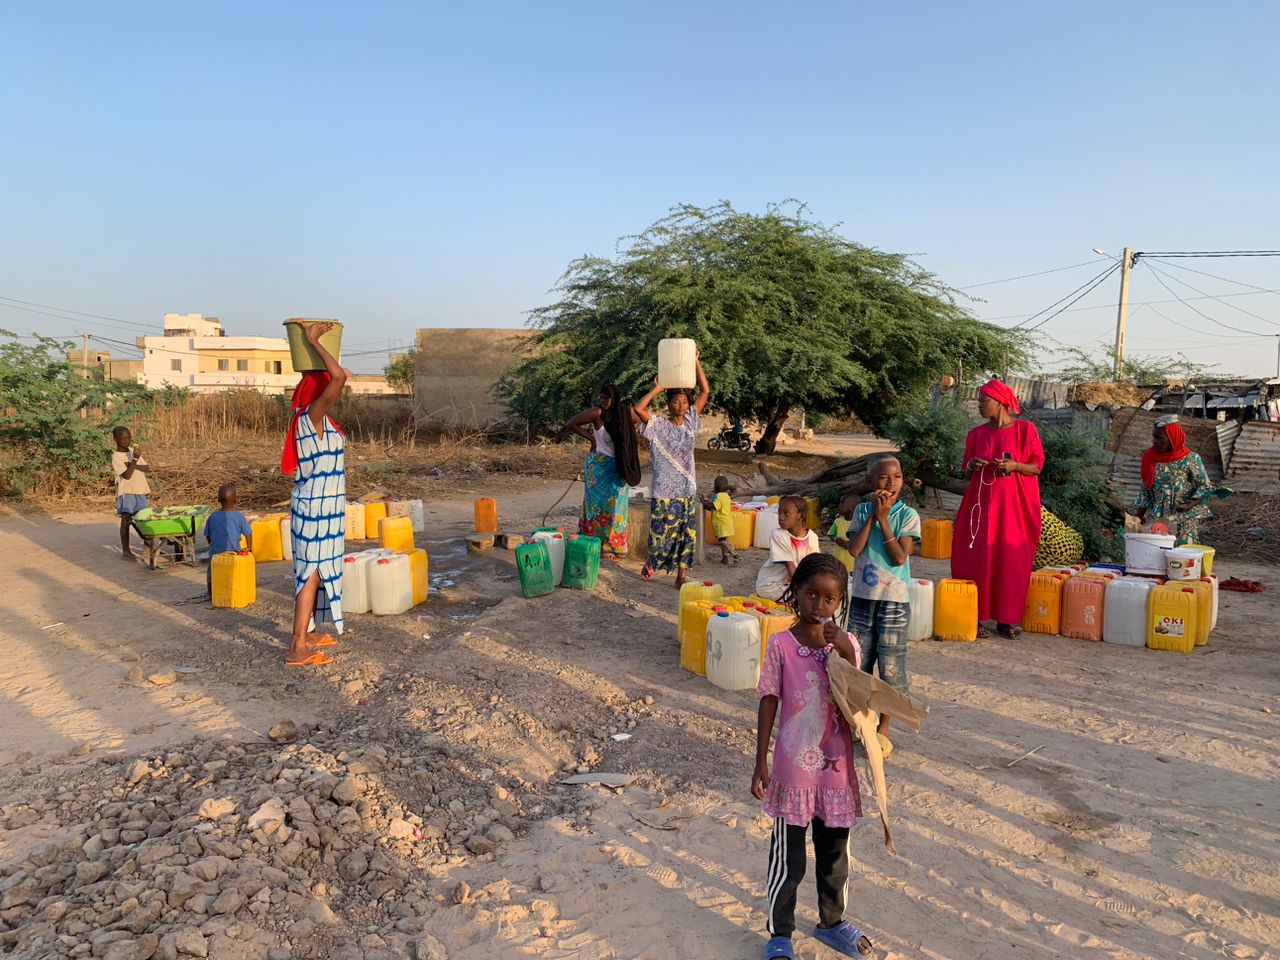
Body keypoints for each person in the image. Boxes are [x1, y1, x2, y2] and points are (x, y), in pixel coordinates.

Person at [752, 553, 874, 960]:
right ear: (796, 593)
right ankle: (780, 933)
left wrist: (847, 654)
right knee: (788, 859)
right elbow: (769, 700)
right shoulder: (781, 645)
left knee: (835, 854)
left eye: (829, 599)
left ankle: (832, 922)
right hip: (793, 772)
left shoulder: (846, 643)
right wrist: (761, 760)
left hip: (835, 769)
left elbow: (858, 699)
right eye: (811, 596)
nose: (819, 607)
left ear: (840, 601)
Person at [951, 379, 1044, 639]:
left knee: (1010, 560)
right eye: (979, 400)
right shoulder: (976, 434)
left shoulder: (1026, 431)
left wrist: (1014, 466)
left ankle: (1007, 619)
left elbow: (1036, 466)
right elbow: (965, 466)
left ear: (1001, 402)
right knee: (976, 558)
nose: (979, 405)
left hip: (1015, 509)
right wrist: (973, 465)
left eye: (984, 400)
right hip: (980, 509)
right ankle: (976, 616)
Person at [281, 321, 348, 667]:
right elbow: (339, 377)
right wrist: (312, 340)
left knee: (313, 572)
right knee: (309, 575)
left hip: (321, 510)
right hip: (315, 512)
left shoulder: (309, 417)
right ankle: (297, 647)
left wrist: (320, 359)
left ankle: (303, 635)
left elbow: (336, 375)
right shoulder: (312, 417)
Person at [844, 455, 921, 747]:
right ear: (870, 483)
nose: (891, 483)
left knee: (891, 665)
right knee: (859, 662)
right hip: (863, 599)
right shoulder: (862, 511)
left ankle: (884, 729)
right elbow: (854, 549)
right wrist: (872, 519)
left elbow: (899, 557)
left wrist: (884, 521)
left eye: (897, 477)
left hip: (894, 602)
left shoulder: (908, 515)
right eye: (884, 478)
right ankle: (861, 722)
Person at [633, 353, 711, 588]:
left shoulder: (690, 422)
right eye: (676, 401)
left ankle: (682, 575)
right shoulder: (658, 425)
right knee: (662, 533)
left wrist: (696, 363)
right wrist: (657, 389)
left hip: (686, 487)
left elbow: (705, 392)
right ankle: (653, 562)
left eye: (685, 402)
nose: (681, 405)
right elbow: (639, 408)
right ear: (668, 404)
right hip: (665, 489)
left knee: (688, 534)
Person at [561, 384, 642, 559]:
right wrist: (591, 438)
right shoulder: (597, 413)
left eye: (607, 398)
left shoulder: (624, 414)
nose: (603, 401)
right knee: (596, 507)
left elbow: (638, 419)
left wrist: (629, 433)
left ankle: (614, 545)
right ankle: (595, 543)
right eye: (601, 398)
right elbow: (571, 423)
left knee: (618, 504)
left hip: (619, 466)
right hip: (597, 466)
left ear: (615, 398)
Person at [1135, 415, 1215, 546]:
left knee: (1184, 558)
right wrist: (1137, 518)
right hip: (1159, 519)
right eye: (1154, 437)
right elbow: (1145, 490)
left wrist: (1190, 504)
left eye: (1159, 438)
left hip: (1185, 518)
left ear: (1172, 439)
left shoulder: (1191, 459)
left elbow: (1204, 485)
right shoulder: (1150, 459)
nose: (1154, 441)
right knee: (1158, 556)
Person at [756, 495, 820, 603]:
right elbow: (790, 565)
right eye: (779, 513)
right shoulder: (778, 535)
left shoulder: (812, 537)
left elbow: (813, 567)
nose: (780, 517)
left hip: (791, 582)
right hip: (771, 585)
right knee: (807, 600)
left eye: (786, 513)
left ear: (801, 516)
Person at [203, 483, 252, 599]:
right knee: (235, 573)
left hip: (216, 553)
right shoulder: (239, 516)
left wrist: (212, 544)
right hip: (234, 552)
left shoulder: (213, 517)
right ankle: (235, 591)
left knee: (211, 572)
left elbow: (208, 535)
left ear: (218, 500)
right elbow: (248, 533)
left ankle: (210, 593)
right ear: (235, 500)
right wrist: (249, 547)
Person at [112, 426, 151, 560]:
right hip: (127, 492)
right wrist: (134, 460)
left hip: (140, 490)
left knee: (144, 520)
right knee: (126, 520)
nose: (127, 440)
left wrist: (132, 463)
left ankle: (149, 548)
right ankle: (126, 551)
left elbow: (147, 468)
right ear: (115, 439)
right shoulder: (116, 456)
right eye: (123, 438)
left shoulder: (133, 452)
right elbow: (127, 476)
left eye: (128, 437)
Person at [700, 474, 739, 565]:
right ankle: (725, 558)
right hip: (726, 522)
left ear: (715, 487)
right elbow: (716, 508)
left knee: (723, 542)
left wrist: (704, 501)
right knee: (723, 541)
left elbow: (713, 506)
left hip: (721, 524)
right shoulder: (726, 496)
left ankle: (735, 555)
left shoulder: (718, 496)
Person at [827, 492, 859, 578]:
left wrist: (848, 544)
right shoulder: (838, 521)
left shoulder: (860, 523)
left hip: (854, 564)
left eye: (842, 503)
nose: (839, 506)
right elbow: (831, 534)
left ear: (852, 508)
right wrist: (835, 539)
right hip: (839, 560)